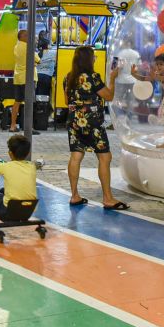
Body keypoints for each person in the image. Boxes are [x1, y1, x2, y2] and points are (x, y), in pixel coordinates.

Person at [63, 47, 129, 210]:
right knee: (105, 157)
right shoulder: (93, 77)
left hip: (74, 121)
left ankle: (74, 195)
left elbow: (67, 101)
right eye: (93, 57)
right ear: (88, 59)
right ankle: (108, 198)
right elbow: (109, 96)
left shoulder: (69, 77)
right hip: (92, 122)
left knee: (76, 156)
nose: (94, 59)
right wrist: (112, 78)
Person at [9, 29, 29, 132]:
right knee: (29, 103)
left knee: (17, 102)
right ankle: (28, 127)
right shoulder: (28, 47)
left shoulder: (16, 47)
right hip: (27, 77)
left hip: (18, 77)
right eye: (27, 35)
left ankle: (13, 125)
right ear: (22, 37)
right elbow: (37, 59)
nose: (29, 37)